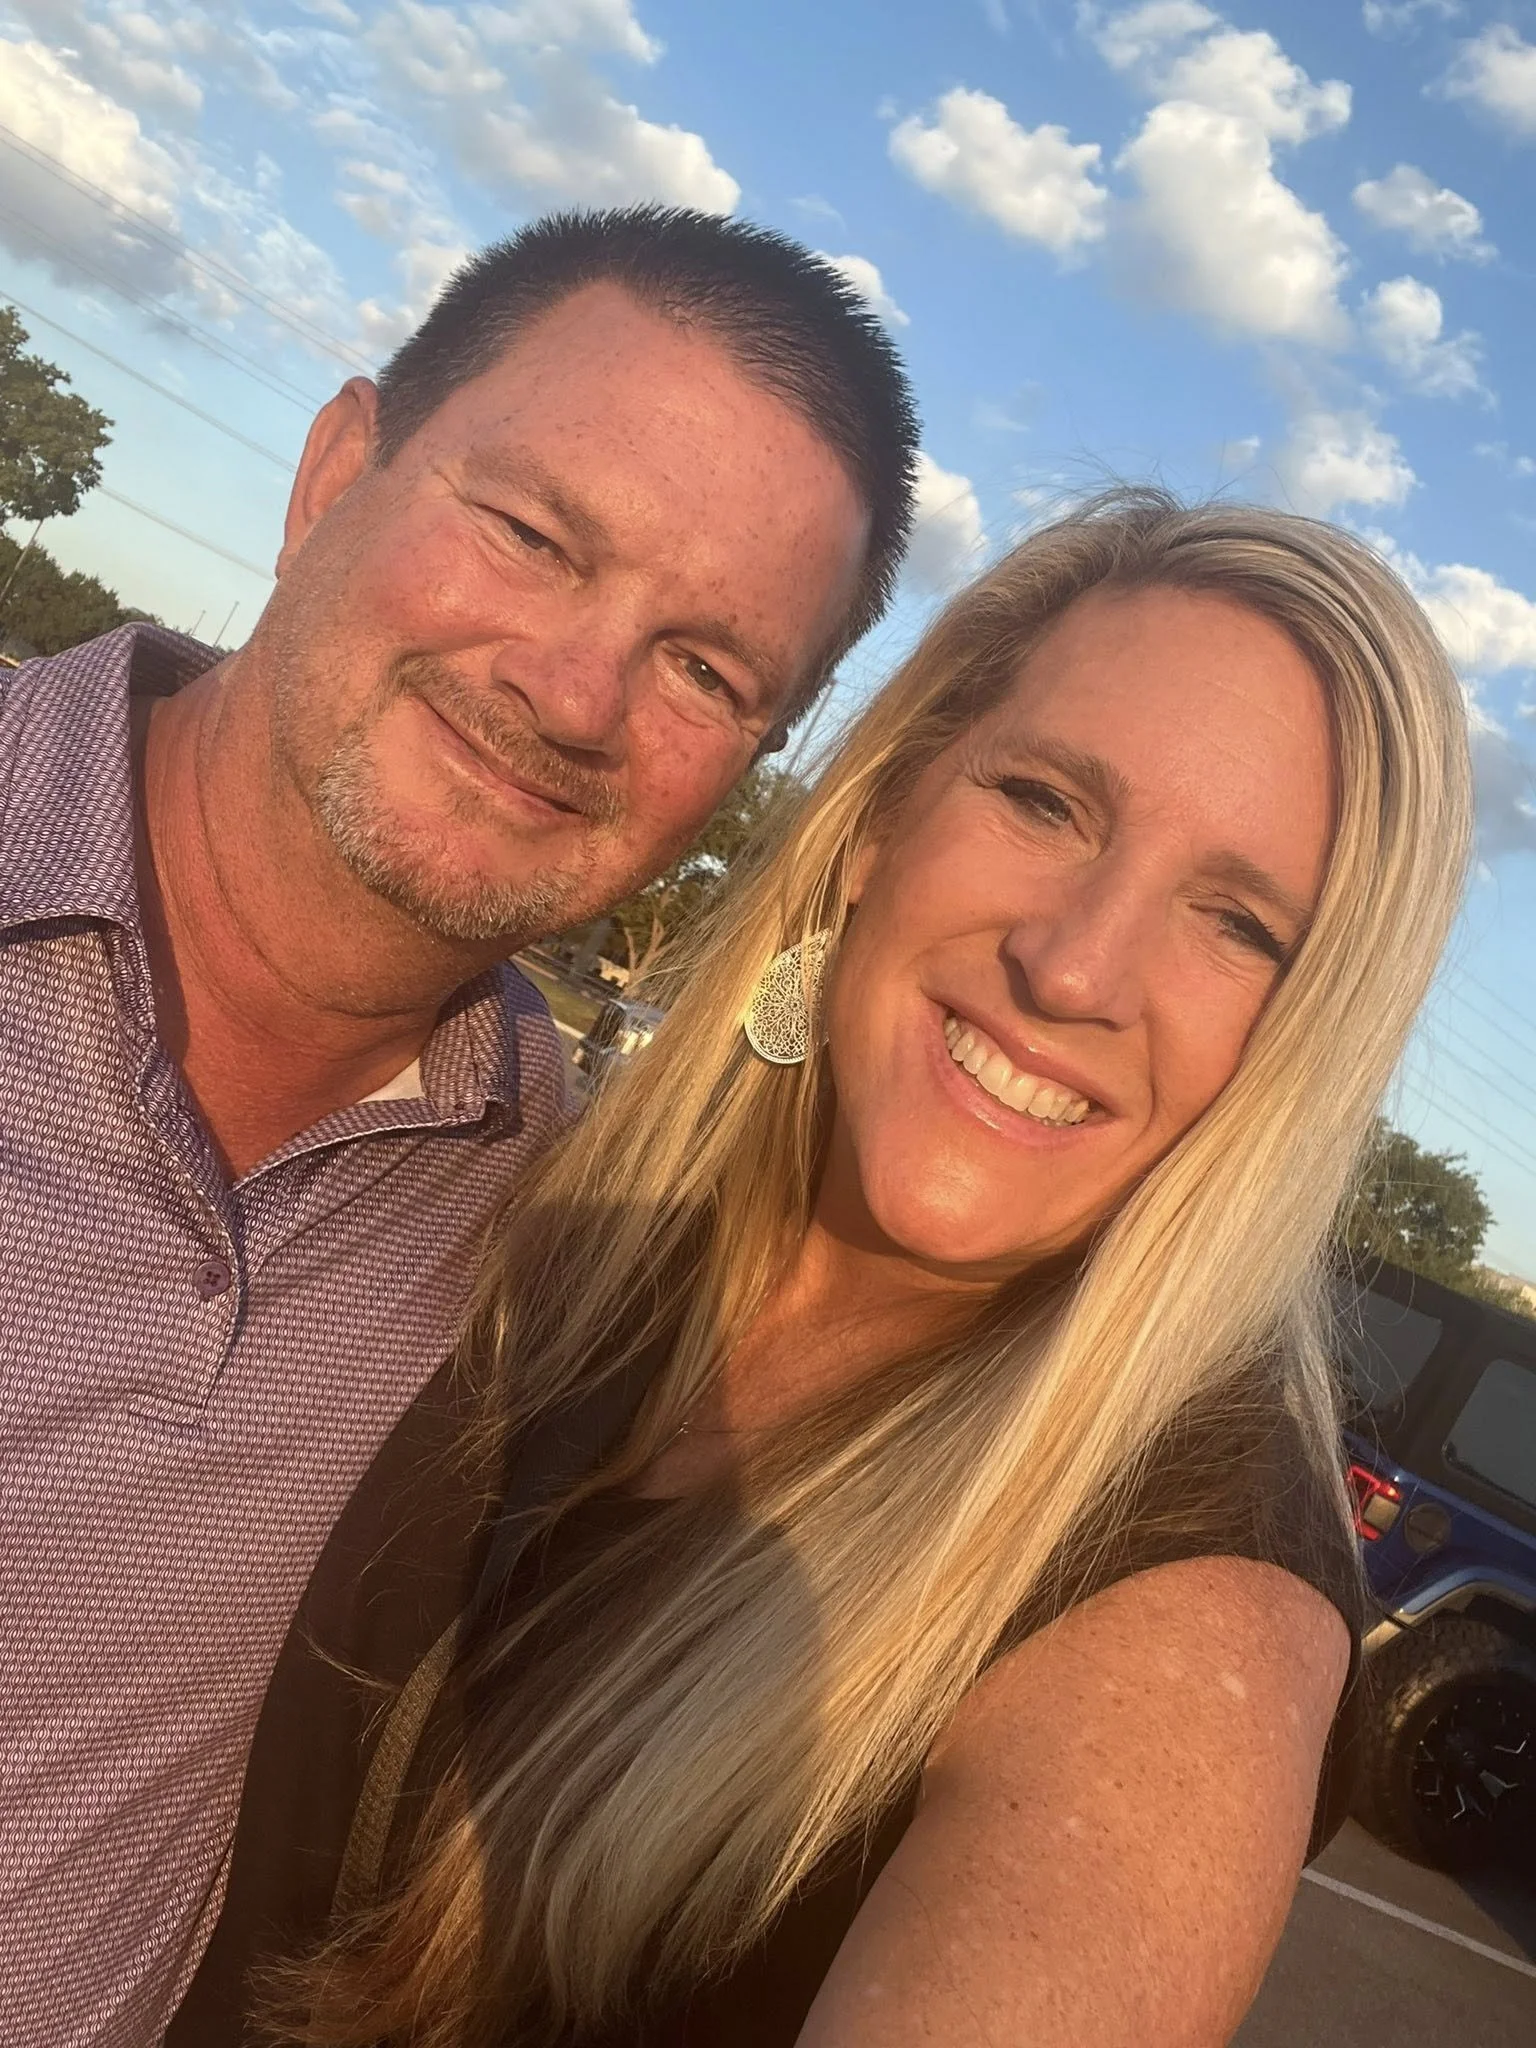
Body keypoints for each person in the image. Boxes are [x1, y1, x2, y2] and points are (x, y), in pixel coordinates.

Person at [170, 489, 1471, 2046]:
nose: (1076, 967)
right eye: (1048, 803)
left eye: (1242, 923)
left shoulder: (1193, 1598)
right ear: (875, 826)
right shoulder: (554, 1213)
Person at [0, 206, 918, 2048]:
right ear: (337, 470)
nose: (574, 697)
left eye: (705, 669)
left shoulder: (550, 1266)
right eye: (529, 533)